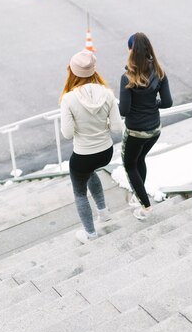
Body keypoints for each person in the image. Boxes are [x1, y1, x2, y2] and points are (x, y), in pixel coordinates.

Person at [60, 50, 123, 243]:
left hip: (83, 155)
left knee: (79, 192)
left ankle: (90, 233)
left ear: (72, 71)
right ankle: (103, 213)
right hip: (105, 152)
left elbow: (68, 134)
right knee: (91, 172)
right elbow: (116, 128)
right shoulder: (108, 94)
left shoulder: (69, 99)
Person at [119, 32, 173, 220]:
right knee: (140, 159)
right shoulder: (160, 72)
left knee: (129, 164)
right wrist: (152, 104)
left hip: (135, 132)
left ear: (131, 51)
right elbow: (167, 102)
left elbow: (124, 111)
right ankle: (138, 194)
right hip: (154, 130)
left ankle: (145, 206)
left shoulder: (128, 78)